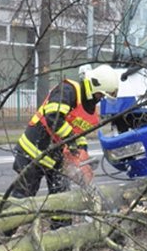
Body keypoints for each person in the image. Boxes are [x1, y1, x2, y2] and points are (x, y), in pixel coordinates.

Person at [9, 64, 120, 229]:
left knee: (62, 199)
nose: (99, 98)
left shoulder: (89, 112)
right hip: (33, 152)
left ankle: (61, 234)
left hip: (56, 159)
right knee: (23, 198)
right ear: (94, 86)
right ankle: (4, 229)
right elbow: (53, 118)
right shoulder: (68, 91)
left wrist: (82, 156)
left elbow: (79, 136)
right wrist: (70, 139)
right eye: (100, 95)